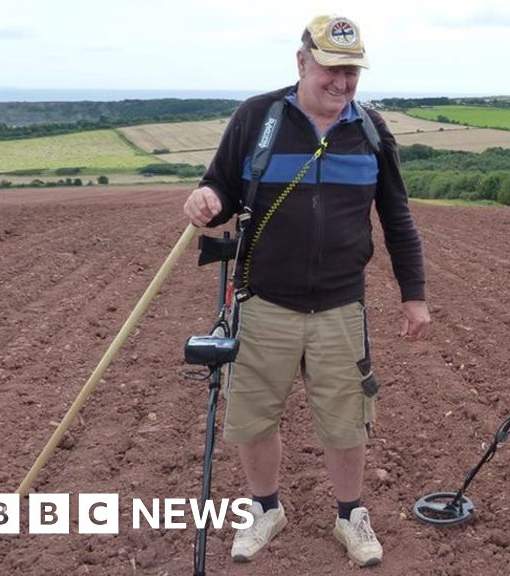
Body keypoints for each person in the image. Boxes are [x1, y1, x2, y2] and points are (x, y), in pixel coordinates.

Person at [182, 14, 430, 568]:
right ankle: (265, 508)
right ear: (301, 63)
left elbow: (397, 217)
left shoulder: (371, 131)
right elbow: (219, 183)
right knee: (254, 416)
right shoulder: (257, 118)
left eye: (352, 73)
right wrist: (203, 200)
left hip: (341, 305)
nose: (341, 83)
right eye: (331, 70)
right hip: (264, 301)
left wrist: (413, 294)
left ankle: (350, 515)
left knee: (346, 419)